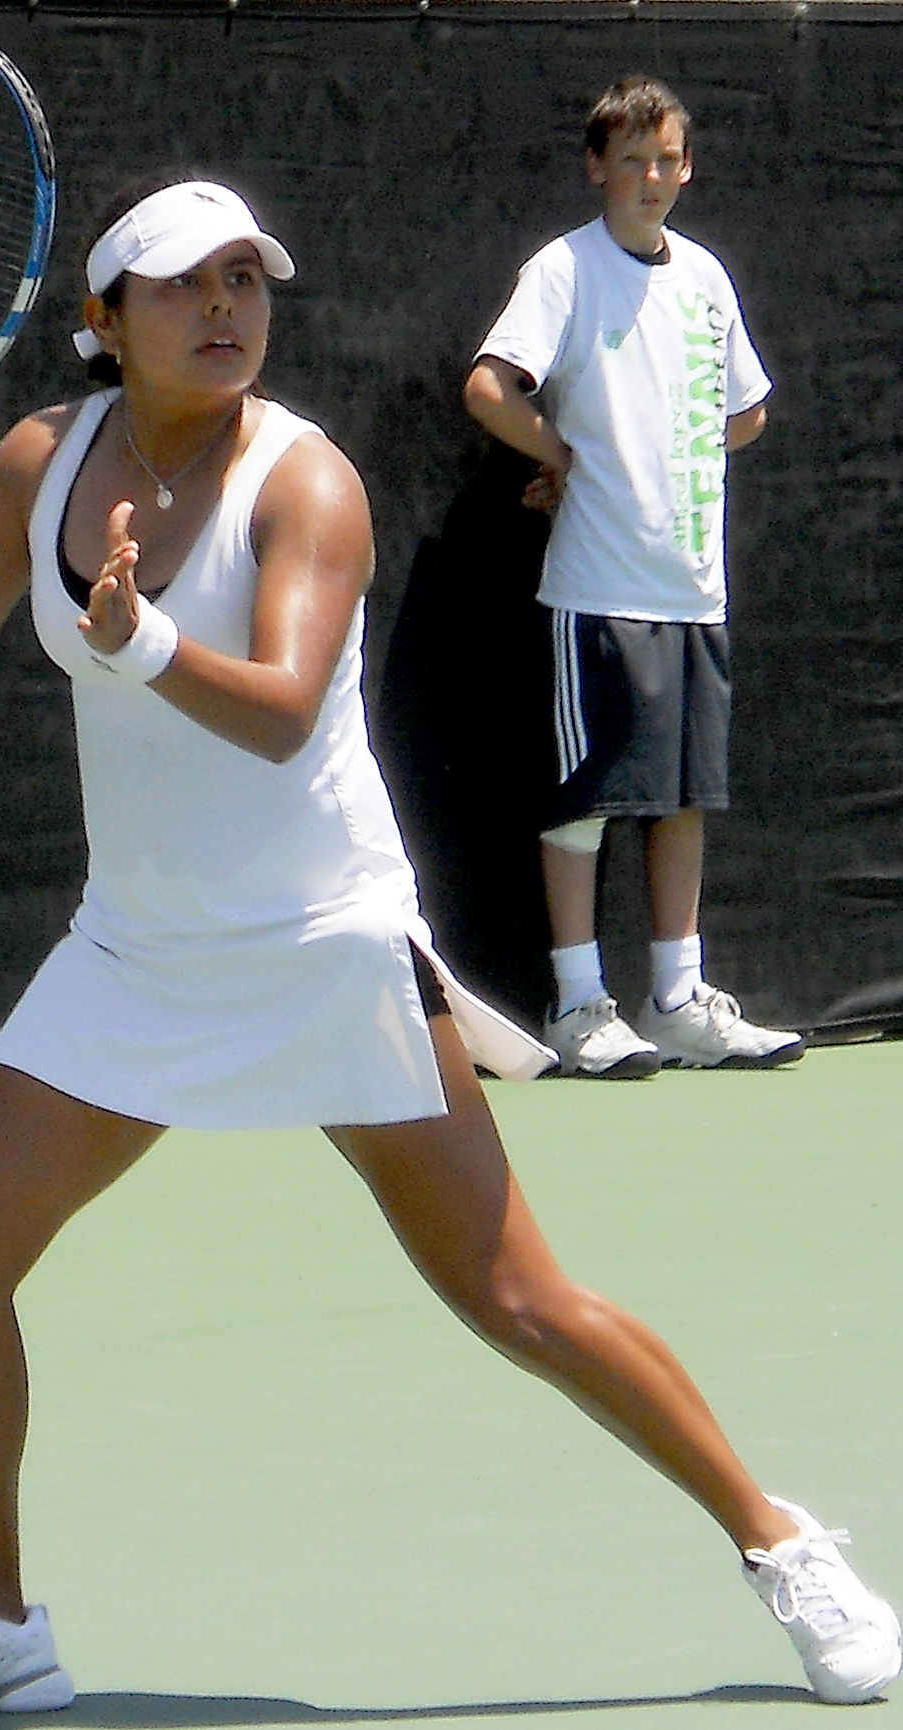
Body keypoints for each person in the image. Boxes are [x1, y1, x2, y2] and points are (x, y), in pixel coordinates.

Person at [0, 175, 899, 1714]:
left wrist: (143, 639)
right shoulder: (39, 461)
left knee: (516, 1299)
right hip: (137, 949)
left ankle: (782, 1544)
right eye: (185, 285)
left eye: (246, 280)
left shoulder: (306, 480)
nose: (226, 309)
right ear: (105, 318)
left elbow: (278, 709)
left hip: (326, 948)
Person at [464, 75, 806, 1079]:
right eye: (631, 163)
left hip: (694, 590)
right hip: (596, 590)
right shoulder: (565, 270)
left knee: (682, 796)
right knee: (585, 800)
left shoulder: (705, 278)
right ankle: (578, 1004)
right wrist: (566, 454)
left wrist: (667, 453)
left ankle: (678, 999)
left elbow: (747, 411)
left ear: (686, 168)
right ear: (597, 169)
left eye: (666, 161)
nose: (650, 179)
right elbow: (489, 386)